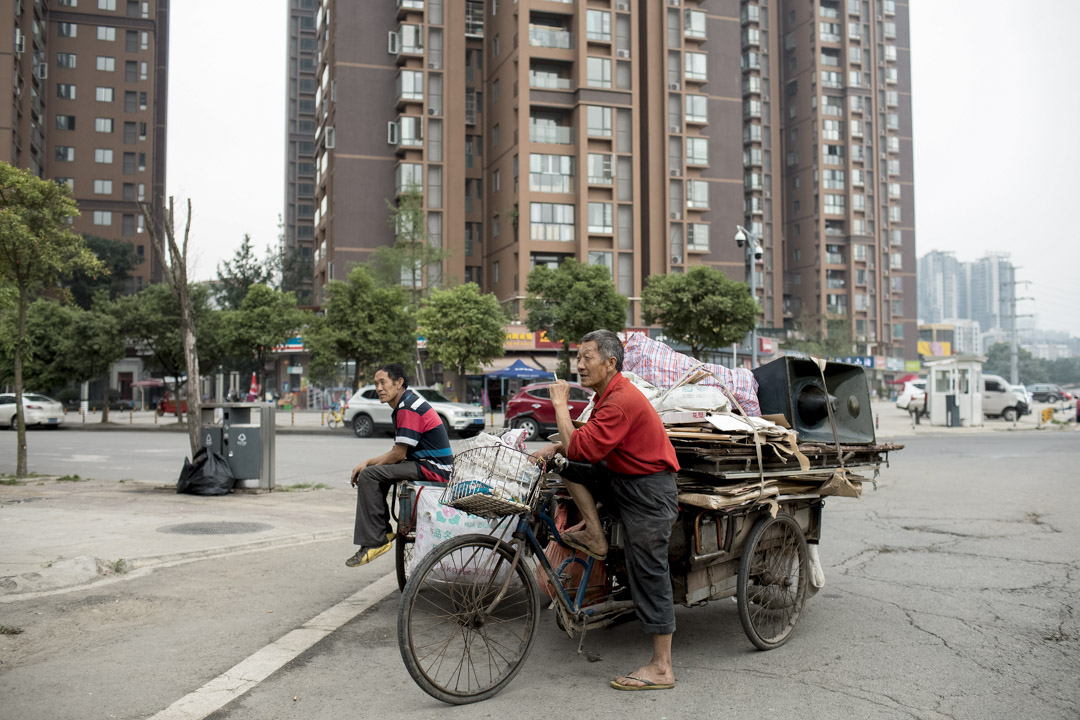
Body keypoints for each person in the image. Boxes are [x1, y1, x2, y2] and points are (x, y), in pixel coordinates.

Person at [535, 329, 680, 692]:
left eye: (587, 357)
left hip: (650, 492)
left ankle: (662, 667)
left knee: (648, 568)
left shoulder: (619, 400)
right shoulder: (606, 395)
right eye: (578, 357)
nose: (579, 365)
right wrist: (553, 453)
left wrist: (558, 405)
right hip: (623, 478)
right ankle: (597, 537)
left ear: (610, 363)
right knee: (564, 468)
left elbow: (577, 447)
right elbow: (577, 449)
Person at [346, 363, 453, 567]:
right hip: (423, 463)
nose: (378, 388)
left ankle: (376, 540)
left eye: (383, 382)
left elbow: (398, 454)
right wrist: (369, 463)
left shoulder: (408, 407)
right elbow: (398, 454)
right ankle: (381, 532)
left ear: (399, 383)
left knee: (369, 475)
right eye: (376, 383)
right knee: (373, 472)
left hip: (434, 468)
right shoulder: (406, 404)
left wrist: (367, 464)